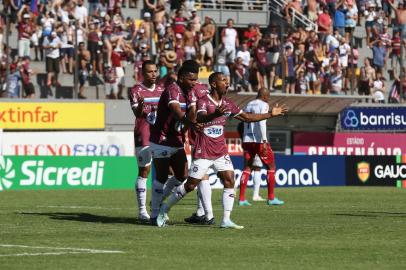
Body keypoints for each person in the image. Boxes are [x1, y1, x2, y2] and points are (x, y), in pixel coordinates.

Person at [156, 72, 288, 229]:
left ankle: (226, 219)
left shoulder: (228, 103)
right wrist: (216, 114)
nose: (227, 83)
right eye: (224, 80)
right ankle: (164, 208)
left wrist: (270, 114)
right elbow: (201, 118)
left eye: (228, 81)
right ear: (213, 84)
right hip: (203, 151)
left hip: (220, 152)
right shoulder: (204, 101)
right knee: (190, 185)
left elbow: (246, 117)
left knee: (229, 180)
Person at [148, 60, 202, 225]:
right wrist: (191, 123)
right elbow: (177, 112)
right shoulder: (172, 89)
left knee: (182, 176)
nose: (194, 83)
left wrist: (193, 114)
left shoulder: (191, 92)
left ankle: (160, 198)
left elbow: (191, 113)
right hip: (161, 139)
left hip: (176, 139)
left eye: (196, 80)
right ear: (181, 77)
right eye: (191, 79)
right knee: (162, 176)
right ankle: (154, 213)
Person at [129, 60, 165, 221]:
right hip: (143, 134)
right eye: (150, 72)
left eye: (155, 71)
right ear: (143, 73)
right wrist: (140, 107)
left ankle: (158, 207)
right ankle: (142, 210)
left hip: (160, 135)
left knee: (166, 172)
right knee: (144, 171)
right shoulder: (136, 90)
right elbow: (137, 113)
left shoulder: (162, 90)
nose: (153, 74)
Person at [238, 88, 285, 206]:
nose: (268, 99)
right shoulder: (264, 104)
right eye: (268, 96)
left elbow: (243, 120)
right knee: (271, 166)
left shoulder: (248, 104)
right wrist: (264, 140)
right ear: (265, 96)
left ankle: (242, 199)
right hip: (258, 141)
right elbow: (262, 122)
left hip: (247, 140)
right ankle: (271, 198)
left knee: (247, 168)